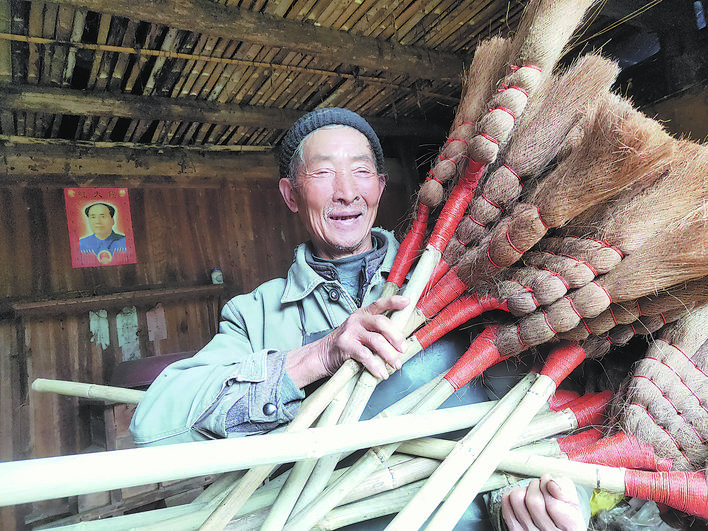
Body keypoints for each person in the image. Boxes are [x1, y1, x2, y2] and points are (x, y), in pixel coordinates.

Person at [129, 107, 589, 530]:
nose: (346, 191)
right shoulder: (256, 315)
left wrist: (538, 503)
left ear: (380, 187)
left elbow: (539, 426)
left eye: (361, 171)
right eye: (324, 172)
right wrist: (319, 355)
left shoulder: (462, 279)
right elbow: (153, 430)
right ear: (291, 194)